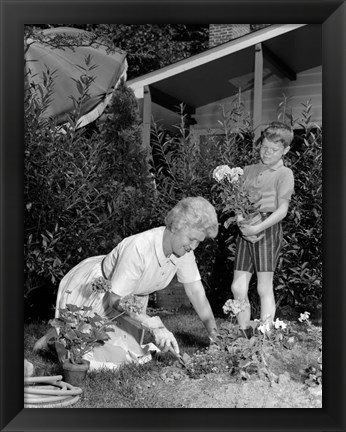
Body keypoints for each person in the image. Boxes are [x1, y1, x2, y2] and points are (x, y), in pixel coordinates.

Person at [34, 196, 219, 368]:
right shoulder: (139, 247)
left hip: (129, 303)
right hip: (101, 293)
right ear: (176, 227)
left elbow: (196, 293)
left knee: (131, 358)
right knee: (90, 360)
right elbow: (115, 299)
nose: (193, 247)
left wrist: (215, 335)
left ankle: (58, 338)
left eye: (199, 242)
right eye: (192, 239)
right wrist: (154, 325)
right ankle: (52, 339)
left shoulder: (184, 251)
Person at [230, 121, 295, 331]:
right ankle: (244, 334)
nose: (267, 153)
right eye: (264, 147)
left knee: (263, 287)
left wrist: (257, 228)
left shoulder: (284, 174)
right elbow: (237, 201)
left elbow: (282, 210)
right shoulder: (247, 171)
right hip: (245, 226)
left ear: (286, 150)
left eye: (274, 150)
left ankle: (265, 338)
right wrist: (241, 222)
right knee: (237, 286)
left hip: (267, 228)